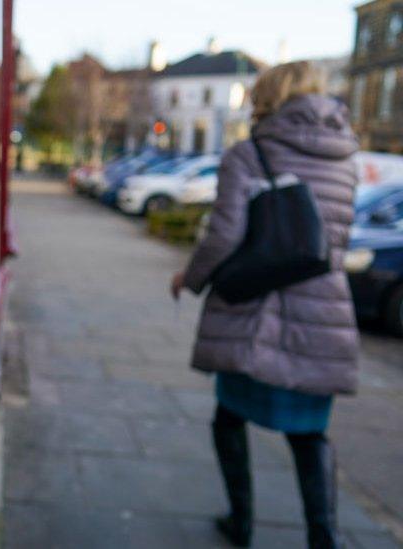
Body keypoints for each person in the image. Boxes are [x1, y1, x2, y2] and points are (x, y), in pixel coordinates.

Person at [170, 62, 359, 549]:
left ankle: (242, 522)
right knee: (309, 433)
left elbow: (223, 237)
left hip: (254, 311)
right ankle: (325, 537)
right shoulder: (345, 156)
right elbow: (335, 236)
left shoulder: (250, 152)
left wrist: (189, 279)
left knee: (229, 418)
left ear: (267, 97)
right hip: (323, 313)